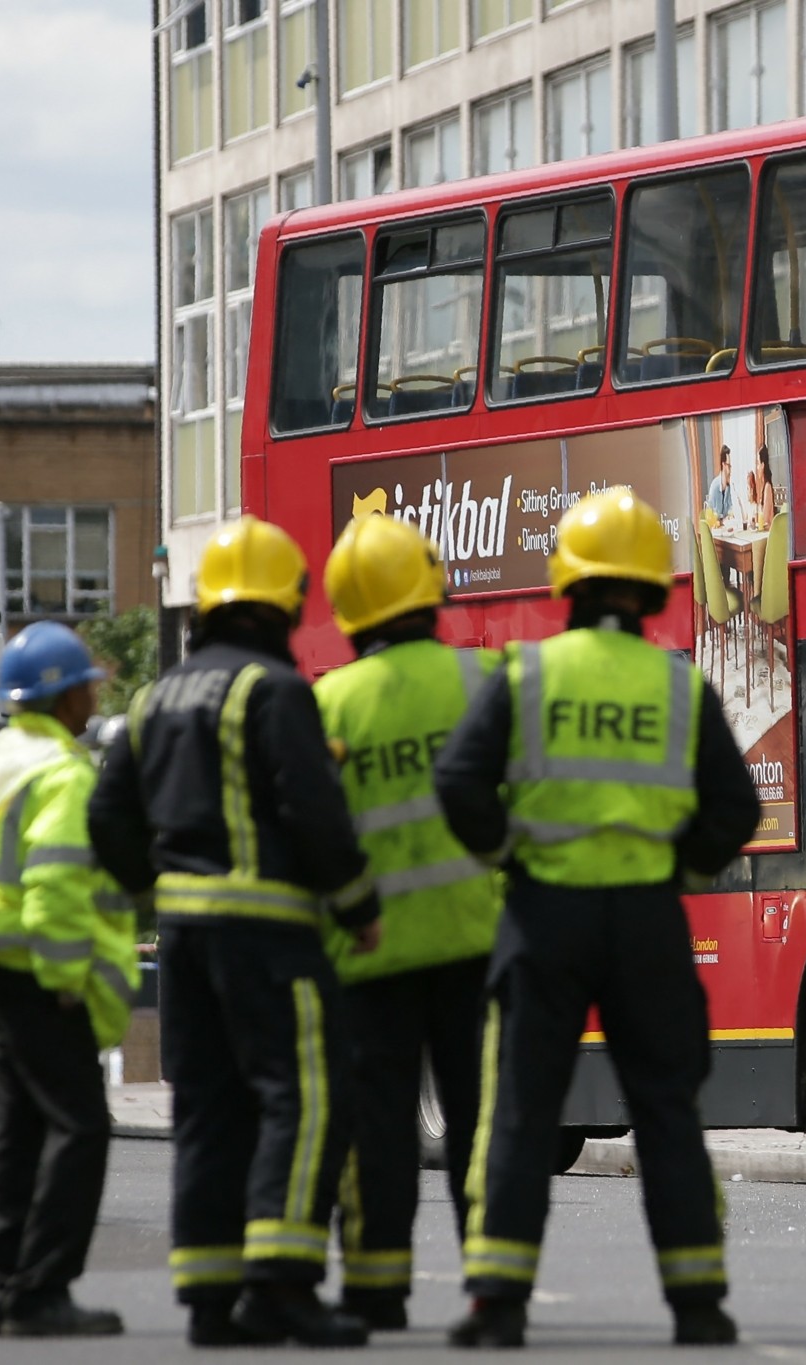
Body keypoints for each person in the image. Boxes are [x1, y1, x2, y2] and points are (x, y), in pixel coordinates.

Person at [433, 488, 759, 1349]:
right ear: (651, 590)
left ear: (566, 584)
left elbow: (458, 782)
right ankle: (698, 1302)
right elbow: (734, 809)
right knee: (665, 1108)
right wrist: (677, 862)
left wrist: (510, 850)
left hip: (544, 916)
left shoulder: (529, 674)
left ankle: (497, 1301)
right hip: (647, 920)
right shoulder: (680, 684)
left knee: (519, 1108)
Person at [88, 517, 378, 1348]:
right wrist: (358, 906)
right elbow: (316, 815)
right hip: (271, 937)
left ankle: (211, 1295)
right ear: (284, 604)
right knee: (304, 1100)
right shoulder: (275, 692)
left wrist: (154, 883)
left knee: (209, 1110)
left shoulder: (154, 697)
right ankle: (281, 1285)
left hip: (182, 940)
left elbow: (109, 820)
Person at [313, 513, 503, 1332]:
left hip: (369, 953)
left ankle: (377, 1287)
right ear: (431, 592)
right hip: (475, 942)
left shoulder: (330, 701)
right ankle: (491, 1285)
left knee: (377, 1128)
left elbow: (315, 833)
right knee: (478, 1123)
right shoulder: (483, 682)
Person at [0, 622, 135, 1338]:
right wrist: (64, 978)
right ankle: (41, 1287)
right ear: (62, 696)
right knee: (80, 1125)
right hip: (38, 968)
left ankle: (10, 1277)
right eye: (87, 683)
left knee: (20, 1122)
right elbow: (55, 883)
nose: (94, 695)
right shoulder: (61, 771)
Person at [745, 447, 775, 532]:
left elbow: (764, 520)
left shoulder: (767, 487)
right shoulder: (763, 487)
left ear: (762, 465)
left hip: (768, 537)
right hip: (763, 533)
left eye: (758, 464)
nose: (757, 468)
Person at [704, 445, 734, 521]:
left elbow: (730, 508)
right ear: (723, 464)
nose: (730, 470)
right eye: (729, 466)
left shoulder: (728, 487)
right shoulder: (715, 487)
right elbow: (710, 514)